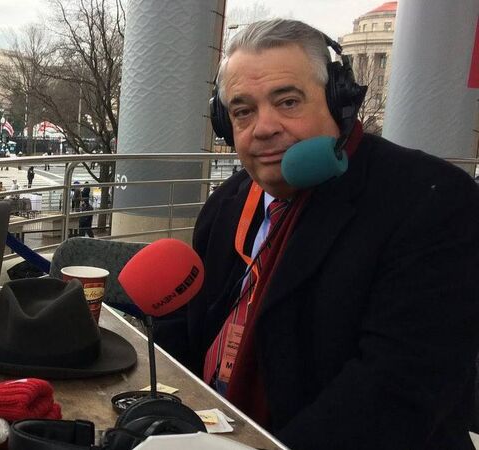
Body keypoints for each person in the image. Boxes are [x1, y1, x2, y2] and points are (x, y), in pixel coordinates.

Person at [153, 19, 479, 450]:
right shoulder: (228, 202)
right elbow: (190, 328)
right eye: (243, 111)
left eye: (287, 102)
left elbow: (395, 392)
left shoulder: (431, 200)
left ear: (340, 102)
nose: (264, 127)